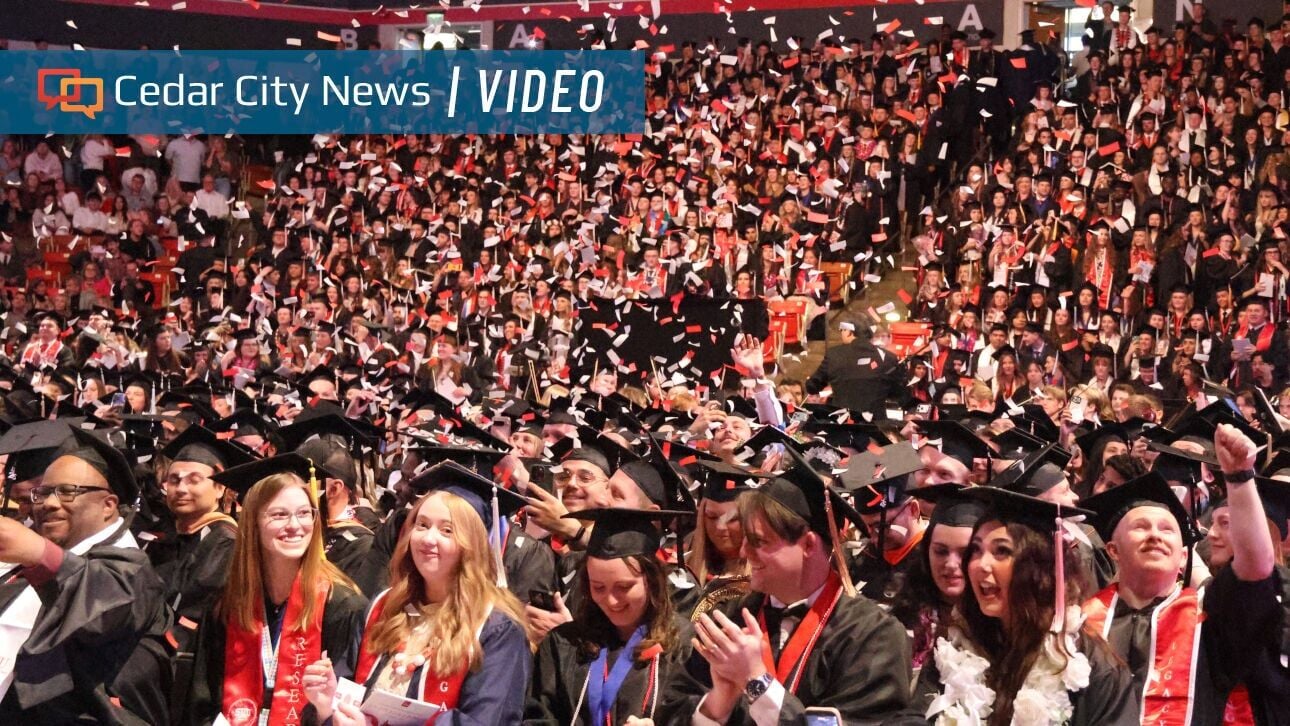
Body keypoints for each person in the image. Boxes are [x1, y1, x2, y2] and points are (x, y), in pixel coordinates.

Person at [658, 453, 911, 723]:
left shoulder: (874, 636)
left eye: (758, 541)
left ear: (809, 545)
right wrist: (719, 701)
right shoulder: (731, 619)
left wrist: (756, 680)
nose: (743, 551)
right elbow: (672, 708)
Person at [303, 460, 532, 725]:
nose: (428, 538)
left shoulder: (495, 629)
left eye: (447, 530)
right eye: (421, 525)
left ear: (473, 545)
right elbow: (347, 688)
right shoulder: (383, 606)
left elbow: (486, 720)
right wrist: (325, 705)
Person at [1080, 423, 1280, 725]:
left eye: (1167, 530)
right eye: (1140, 527)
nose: (1155, 535)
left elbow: (1256, 565)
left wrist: (1239, 477)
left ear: (1184, 555)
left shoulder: (1208, 618)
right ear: (1112, 550)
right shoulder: (1080, 624)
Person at [891, 487, 1138, 725]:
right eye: (976, 551)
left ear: (1038, 568)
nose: (980, 565)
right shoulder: (957, 646)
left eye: (1001, 551)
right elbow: (914, 716)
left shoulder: (1089, 667)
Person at [0, 426, 172, 723]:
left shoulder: (132, 570)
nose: (50, 503)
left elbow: (99, 605)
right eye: (42, 493)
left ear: (108, 505)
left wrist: (37, 552)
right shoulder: (30, 566)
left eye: (68, 492)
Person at [187, 454, 369, 726]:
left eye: (304, 513)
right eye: (279, 515)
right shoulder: (226, 606)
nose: (295, 526)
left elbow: (348, 710)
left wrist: (324, 711)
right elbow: (203, 702)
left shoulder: (342, 606)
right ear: (253, 523)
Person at [525, 508, 692, 724]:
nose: (612, 601)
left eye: (624, 587)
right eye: (599, 587)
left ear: (652, 582)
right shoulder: (563, 643)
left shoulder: (685, 645)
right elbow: (537, 718)